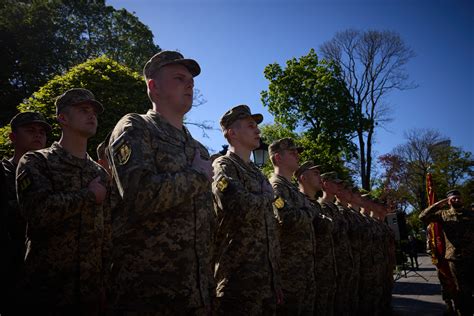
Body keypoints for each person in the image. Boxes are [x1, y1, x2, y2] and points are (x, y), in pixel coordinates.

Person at [107, 50, 214, 314]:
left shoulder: (199, 148)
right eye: (179, 78)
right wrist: (198, 176)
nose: (189, 84)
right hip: (148, 293)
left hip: (197, 294)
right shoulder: (136, 127)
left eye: (191, 80)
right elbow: (140, 195)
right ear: (153, 87)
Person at [15, 88, 109, 314]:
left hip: (92, 293)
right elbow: (38, 212)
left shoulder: (99, 173)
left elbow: (108, 231)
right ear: (62, 118)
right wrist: (88, 196)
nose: (92, 115)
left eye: (94, 111)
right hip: (48, 291)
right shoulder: (37, 161)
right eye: (83, 110)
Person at [212, 104, 282, 315]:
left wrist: (275, 279)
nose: (258, 131)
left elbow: (272, 223)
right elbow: (238, 205)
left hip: (265, 281)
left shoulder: (258, 175)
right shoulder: (223, 166)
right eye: (251, 126)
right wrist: (266, 197)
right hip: (238, 280)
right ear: (232, 133)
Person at [1, 112, 51, 313]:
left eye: (42, 132)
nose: (38, 135)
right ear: (13, 137)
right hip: (11, 268)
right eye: (30, 131)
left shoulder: (51, 173)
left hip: (46, 270)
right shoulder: (3, 172)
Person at [268, 139, 316, 315]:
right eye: (292, 152)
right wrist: (308, 212)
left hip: (303, 270)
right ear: (279, 158)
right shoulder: (275, 186)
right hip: (288, 272)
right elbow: (287, 217)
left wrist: (305, 211)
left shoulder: (293, 190)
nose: (298, 155)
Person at [419, 190, 474, 316]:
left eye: (458, 198)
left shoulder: (470, 213)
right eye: (453, 198)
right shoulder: (442, 214)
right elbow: (422, 216)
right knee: (461, 289)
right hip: (456, 258)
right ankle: (463, 312)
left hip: (472, 256)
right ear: (448, 201)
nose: (456, 200)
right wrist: (439, 203)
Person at [295, 161, 336, 316]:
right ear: (304, 177)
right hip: (301, 274)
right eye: (315, 173)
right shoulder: (297, 201)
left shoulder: (316, 206)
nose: (320, 178)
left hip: (321, 273)